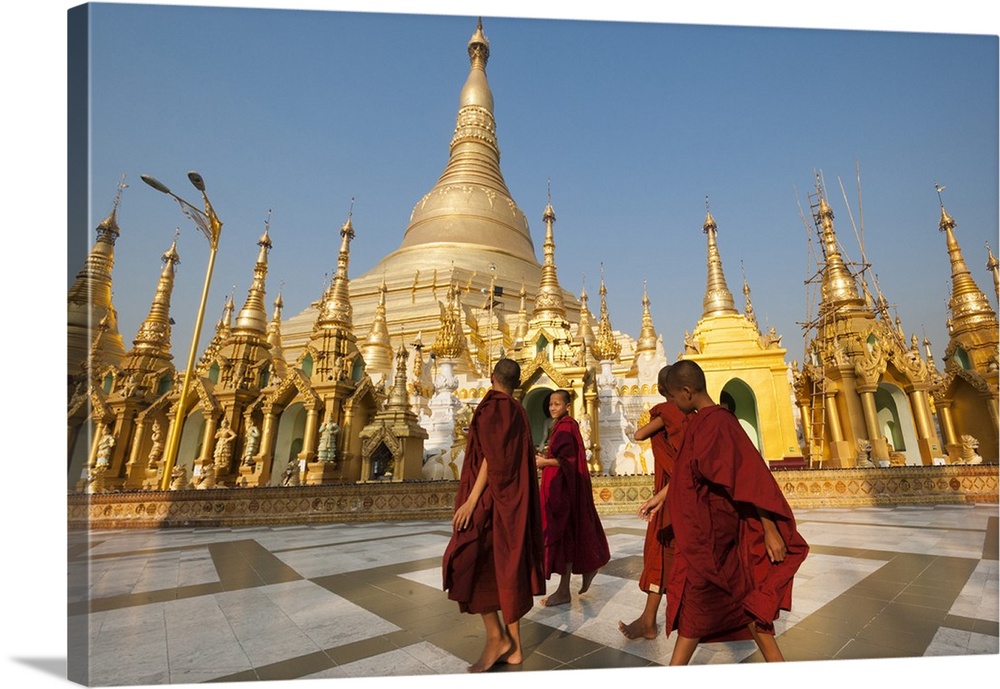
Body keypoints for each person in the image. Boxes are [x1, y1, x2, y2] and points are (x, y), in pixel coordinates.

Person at [662, 359, 808, 665]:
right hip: (705, 531)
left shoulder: (718, 424)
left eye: (674, 397)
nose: (672, 404)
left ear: (687, 392)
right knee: (743, 598)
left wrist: (769, 530)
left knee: (697, 605)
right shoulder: (702, 422)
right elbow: (688, 474)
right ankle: (776, 662)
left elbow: (749, 477)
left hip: (713, 537)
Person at [442, 359, 545, 673]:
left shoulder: (493, 409)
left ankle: (497, 637)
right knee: (505, 569)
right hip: (511, 502)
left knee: (463, 561)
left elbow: (492, 456)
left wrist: (471, 502)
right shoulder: (517, 410)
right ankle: (514, 649)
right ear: (517, 383)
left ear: (491, 378)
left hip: (490, 501)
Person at [618, 365, 687, 640]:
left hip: (671, 495)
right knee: (668, 554)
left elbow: (638, 435)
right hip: (678, 491)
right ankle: (649, 619)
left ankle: (650, 620)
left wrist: (659, 412)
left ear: (662, 389)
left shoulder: (669, 412)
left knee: (661, 552)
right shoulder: (691, 415)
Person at [534, 389, 610, 607]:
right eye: (550, 404)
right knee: (565, 536)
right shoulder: (560, 426)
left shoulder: (567, 426)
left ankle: (564, 590)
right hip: (558, 487)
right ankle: (587, 569)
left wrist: (544, 463)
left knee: (564, 537)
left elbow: (567, 459)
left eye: (557, 404)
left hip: (563, 493)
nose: (552, 407)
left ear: (567, 405)